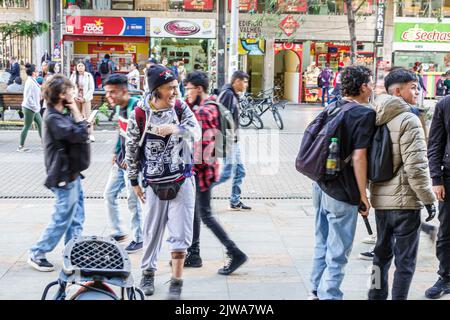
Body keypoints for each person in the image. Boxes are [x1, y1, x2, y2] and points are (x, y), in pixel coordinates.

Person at [125, 65, 201, 299]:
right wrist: (134, 181)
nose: (175, 92)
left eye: (176, 87)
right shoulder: (138, 114)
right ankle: (148, 273)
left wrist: (175, 128)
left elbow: (196, 132)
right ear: (156, 90)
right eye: (170, 88)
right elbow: (131, 150)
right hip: (153, 184)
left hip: (183, 179)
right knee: (151, 232)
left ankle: (176, 281)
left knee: (181, 232)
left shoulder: (179, 107)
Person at [367, 68, 436, 300]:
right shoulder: (409, 119)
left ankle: (375, 295)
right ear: (397, 91)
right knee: (405, 262)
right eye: (413, 87)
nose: (417, 92)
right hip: (406, 203)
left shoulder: (372, 114)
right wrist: (428, 199)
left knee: (380, 257)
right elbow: (416, 168)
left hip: (380, 201)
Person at [309, 65, 376, 300]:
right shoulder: (363, 114)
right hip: (342, 189)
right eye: (370, 82)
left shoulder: (332, 106)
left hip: (320, 184)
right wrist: (363, 196)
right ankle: (331, 295)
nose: (372, 87)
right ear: (362, 86)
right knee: (339, 250)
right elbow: (359, 156)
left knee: (322, 240)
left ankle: (315, 289)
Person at [183, 70, 248, 273]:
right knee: (198, 213)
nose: (186, 93)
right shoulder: (210, 103)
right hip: (207, 171)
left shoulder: (204, 111)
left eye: (189, 89)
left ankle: (235, 252)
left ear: (199, 88)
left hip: (201, 173)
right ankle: (193, 254)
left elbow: (203, 149)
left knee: (206, 215)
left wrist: (188, 168)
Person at [28, 74, 89, 272]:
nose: (73, 92)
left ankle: (73, 254)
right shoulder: (53, 118)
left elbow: (80, 133)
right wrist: (78, 114)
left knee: (77, 216)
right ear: (62, 94)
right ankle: (37, 252)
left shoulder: (62, 113)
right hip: (63, 175)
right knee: (63, 217)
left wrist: (74, 111)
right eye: (70, 89)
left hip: (72, 173)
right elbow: (79, 134)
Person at [103, 74, 143, 253]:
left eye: (112, 92)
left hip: (133, 164)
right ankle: (118, 231)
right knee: (109, 194)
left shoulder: (137, 107)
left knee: (133, 201)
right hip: (120, 161)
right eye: (107, 92)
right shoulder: (121, 108)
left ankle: (139, 238)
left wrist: (132, 160)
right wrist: (116, 151)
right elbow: (122, 132)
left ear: (124, 91)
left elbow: (143, 138)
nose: (109, 96)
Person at [215, 71, 252, 211]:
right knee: (227, 173)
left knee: (239, 171)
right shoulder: (228, 95)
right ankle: (201, 191)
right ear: (236, 81)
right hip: (227, 141)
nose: (246, 85)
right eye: (244, 81)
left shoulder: (233, 95)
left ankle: (235, 201)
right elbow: (222, 119)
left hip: (232, 141)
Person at [426, 94, 450, 299]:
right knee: (446, 232)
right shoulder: (445, 104)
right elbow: (434, 144)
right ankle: (445, 277)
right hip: (449, 177)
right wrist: (436, 179)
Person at [17, 64, 42, 152]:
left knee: (40, 124)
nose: (38, 72)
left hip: (34, 108)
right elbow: (28, 98)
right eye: (36, 70)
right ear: (33, 72)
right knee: (27, 126)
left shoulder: (33, 80)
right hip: (29, 108)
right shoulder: (29, 82)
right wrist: (35, 107)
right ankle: (20, 146)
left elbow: (37, 90)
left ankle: (45, 144)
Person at [70, 60, 95, 142]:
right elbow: (70, 88)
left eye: (82, 66)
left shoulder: (88, 76)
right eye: (79, 66)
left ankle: (90, 134)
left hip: (86, 99)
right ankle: (78, 134)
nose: (80, 67)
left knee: (88, 117)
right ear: (76, 67)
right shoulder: (73, 76)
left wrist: (84, 98)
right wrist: (74, 96)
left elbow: (91, 89)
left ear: (85, 67)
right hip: (76, 99)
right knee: (77, 116)